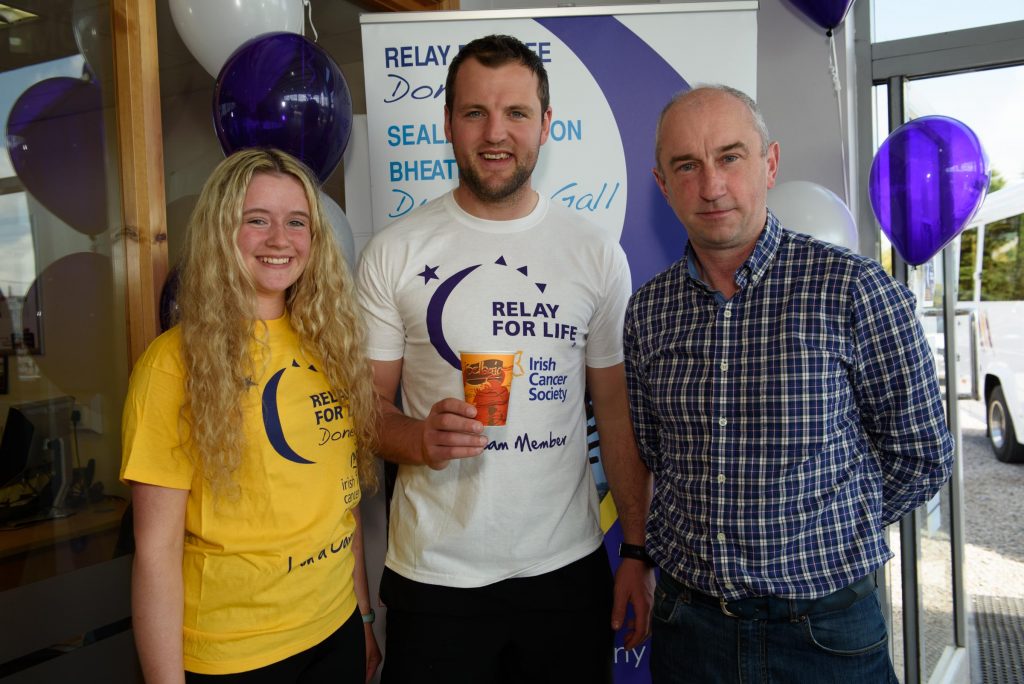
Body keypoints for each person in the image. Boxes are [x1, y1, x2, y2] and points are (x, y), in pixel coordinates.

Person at [624, 84, 955, 683]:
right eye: (687, 166)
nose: (712, 185)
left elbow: (922, 453)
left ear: (769, 163)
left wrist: (826, 529)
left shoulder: (854, 290)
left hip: (824, 635)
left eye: (730, 157)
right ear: (662, 183)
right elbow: (655, 454)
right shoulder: (648, 311)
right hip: (689, 631)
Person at [357, 34, 653, 683]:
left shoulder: (595, 253)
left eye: (517, 112)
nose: (497, 133)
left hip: (566, 575)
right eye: (475, 112)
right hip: (434, 580)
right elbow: (364, 413)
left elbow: (616, 410)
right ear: (447, 125)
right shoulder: (394, 252)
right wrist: (419, 437)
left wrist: (634, 547)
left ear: (546, 126)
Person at [122, 148, 382, 683]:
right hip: (233, 655)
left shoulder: (331, 344)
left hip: (332, 630)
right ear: (222, 230)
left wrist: (362, 614)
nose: (280, 240)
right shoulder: (173, 364)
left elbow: (342, 505)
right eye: (256, 220)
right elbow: (155, 553)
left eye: (297, 223)